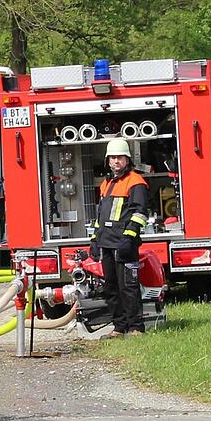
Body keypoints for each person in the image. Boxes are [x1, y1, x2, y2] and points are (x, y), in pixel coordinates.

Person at [89, 139, 150, 338]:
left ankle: (136, 328)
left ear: (127, 160)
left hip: (125, 244)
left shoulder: (135, 182)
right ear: (108, 160)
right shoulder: (107, 183)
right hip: (107, 243)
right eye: (113, 158)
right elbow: (101, 217)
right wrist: (95, 240)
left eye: (120, 158)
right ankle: (119, 327)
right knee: (111, 288)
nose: (116, 161)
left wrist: (128, 237)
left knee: (129, 288)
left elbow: (140, 213)